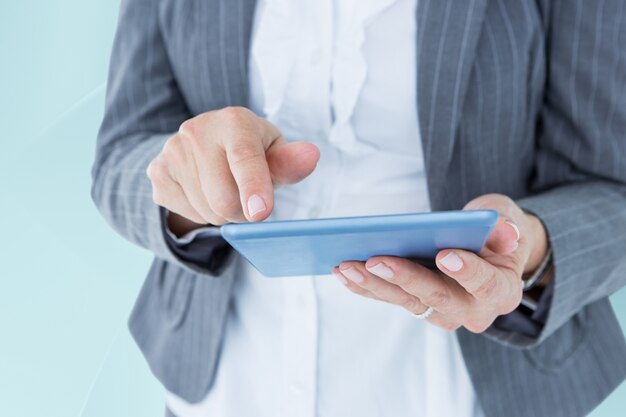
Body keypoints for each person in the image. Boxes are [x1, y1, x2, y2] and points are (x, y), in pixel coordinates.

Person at [92, 0, 626, 416]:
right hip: (227, 381)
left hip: (466, 386)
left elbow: (610, 189)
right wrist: (187, 189)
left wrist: (527, 249)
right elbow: (123, 149)